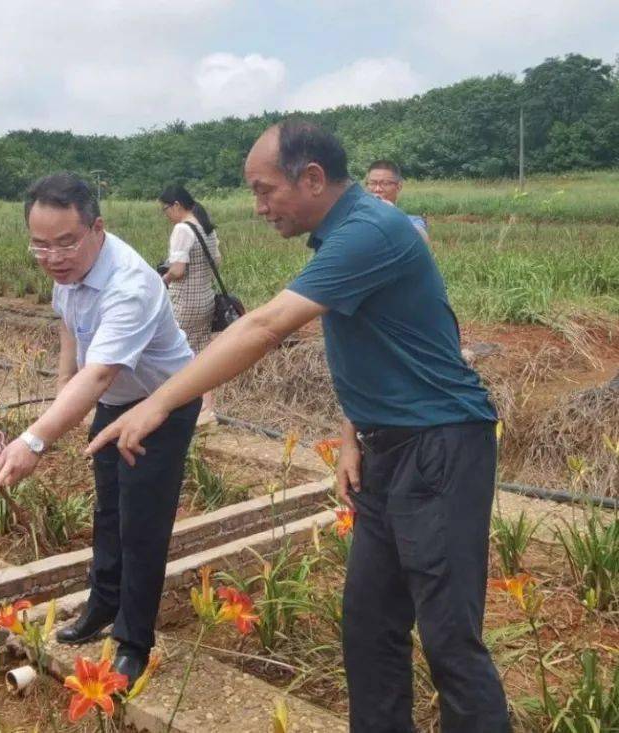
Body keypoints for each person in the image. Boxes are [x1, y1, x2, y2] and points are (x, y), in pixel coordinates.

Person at [88, 120, 510, 731]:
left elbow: (265, 327)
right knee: (370, 625)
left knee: (449, 636)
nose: (258, 208)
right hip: (389, 448)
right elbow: (378, 344)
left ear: (311, 178)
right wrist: (350, 437)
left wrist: (157, 403)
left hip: (441, 445)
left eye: (264, 191)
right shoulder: (344, 234)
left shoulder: (371, 231)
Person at [0, 173, 200, 687]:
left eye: (66, 242)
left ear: (97, 228)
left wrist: (36, 438)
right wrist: (65, 393)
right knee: (108, 509)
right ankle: (102, 604)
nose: (53, 257)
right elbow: (70, 328)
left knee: (141, 522)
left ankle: (133, 641)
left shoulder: (129, 283)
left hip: (160, 406)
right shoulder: (67, 273)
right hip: (114, 401)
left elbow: (102, 370)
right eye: (40, 245)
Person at [158, 184, 220, 417]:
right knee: (202, 353)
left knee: (175, 353)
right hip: (206, 298)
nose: (166, 216)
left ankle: (178, 406)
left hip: (184, 302)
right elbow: (217, 261)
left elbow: (178, 270)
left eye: (165, 210)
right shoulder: (206, 227)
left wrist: (163, 279)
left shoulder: (182, 230)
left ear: (176, 205)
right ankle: (207, 407)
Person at [364, 160, 430, 242]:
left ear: (398, 187)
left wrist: (394, 214)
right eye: (372, 183)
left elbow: (423, 240)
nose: (377, 189)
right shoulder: (356, 217)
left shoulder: (412, 220)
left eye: (385, 183)